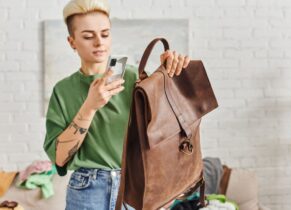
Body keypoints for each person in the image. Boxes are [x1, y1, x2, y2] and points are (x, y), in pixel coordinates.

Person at [43, 0, 190, 209]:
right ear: (72, 41)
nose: (99, 43)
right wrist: (90, 106)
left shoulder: (135, 78)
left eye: (105, 34)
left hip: (136, 184)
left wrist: (170, 74)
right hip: (87, 190)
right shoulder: (63, 90)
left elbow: (169, 128)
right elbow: (59, 159)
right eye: (87, 36)